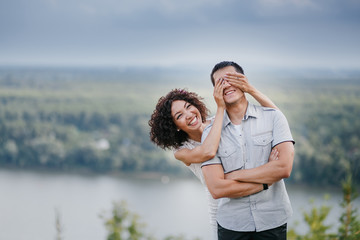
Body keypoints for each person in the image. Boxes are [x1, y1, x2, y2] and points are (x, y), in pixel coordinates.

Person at [149, 76, 279, 239]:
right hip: (225, 215)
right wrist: (267, 181)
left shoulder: (219, 122)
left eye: (189, 106)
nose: (189, 114)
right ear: (174, 126)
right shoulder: (182, 151)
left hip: (257, 209)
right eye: (179, 116)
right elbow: (208, 151)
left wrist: (250, 90)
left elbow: (276, 118)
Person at [201, 61, 295, 240]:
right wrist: (265, 182)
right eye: (220, 83)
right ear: (215, 92)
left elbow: (283, 168)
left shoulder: (273, 117)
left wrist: (234, 175)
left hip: (272, 221)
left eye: (231, 78)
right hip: (232, 225)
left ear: (243, 81)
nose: (226, 85)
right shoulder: (210, 134)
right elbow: (217, 188)